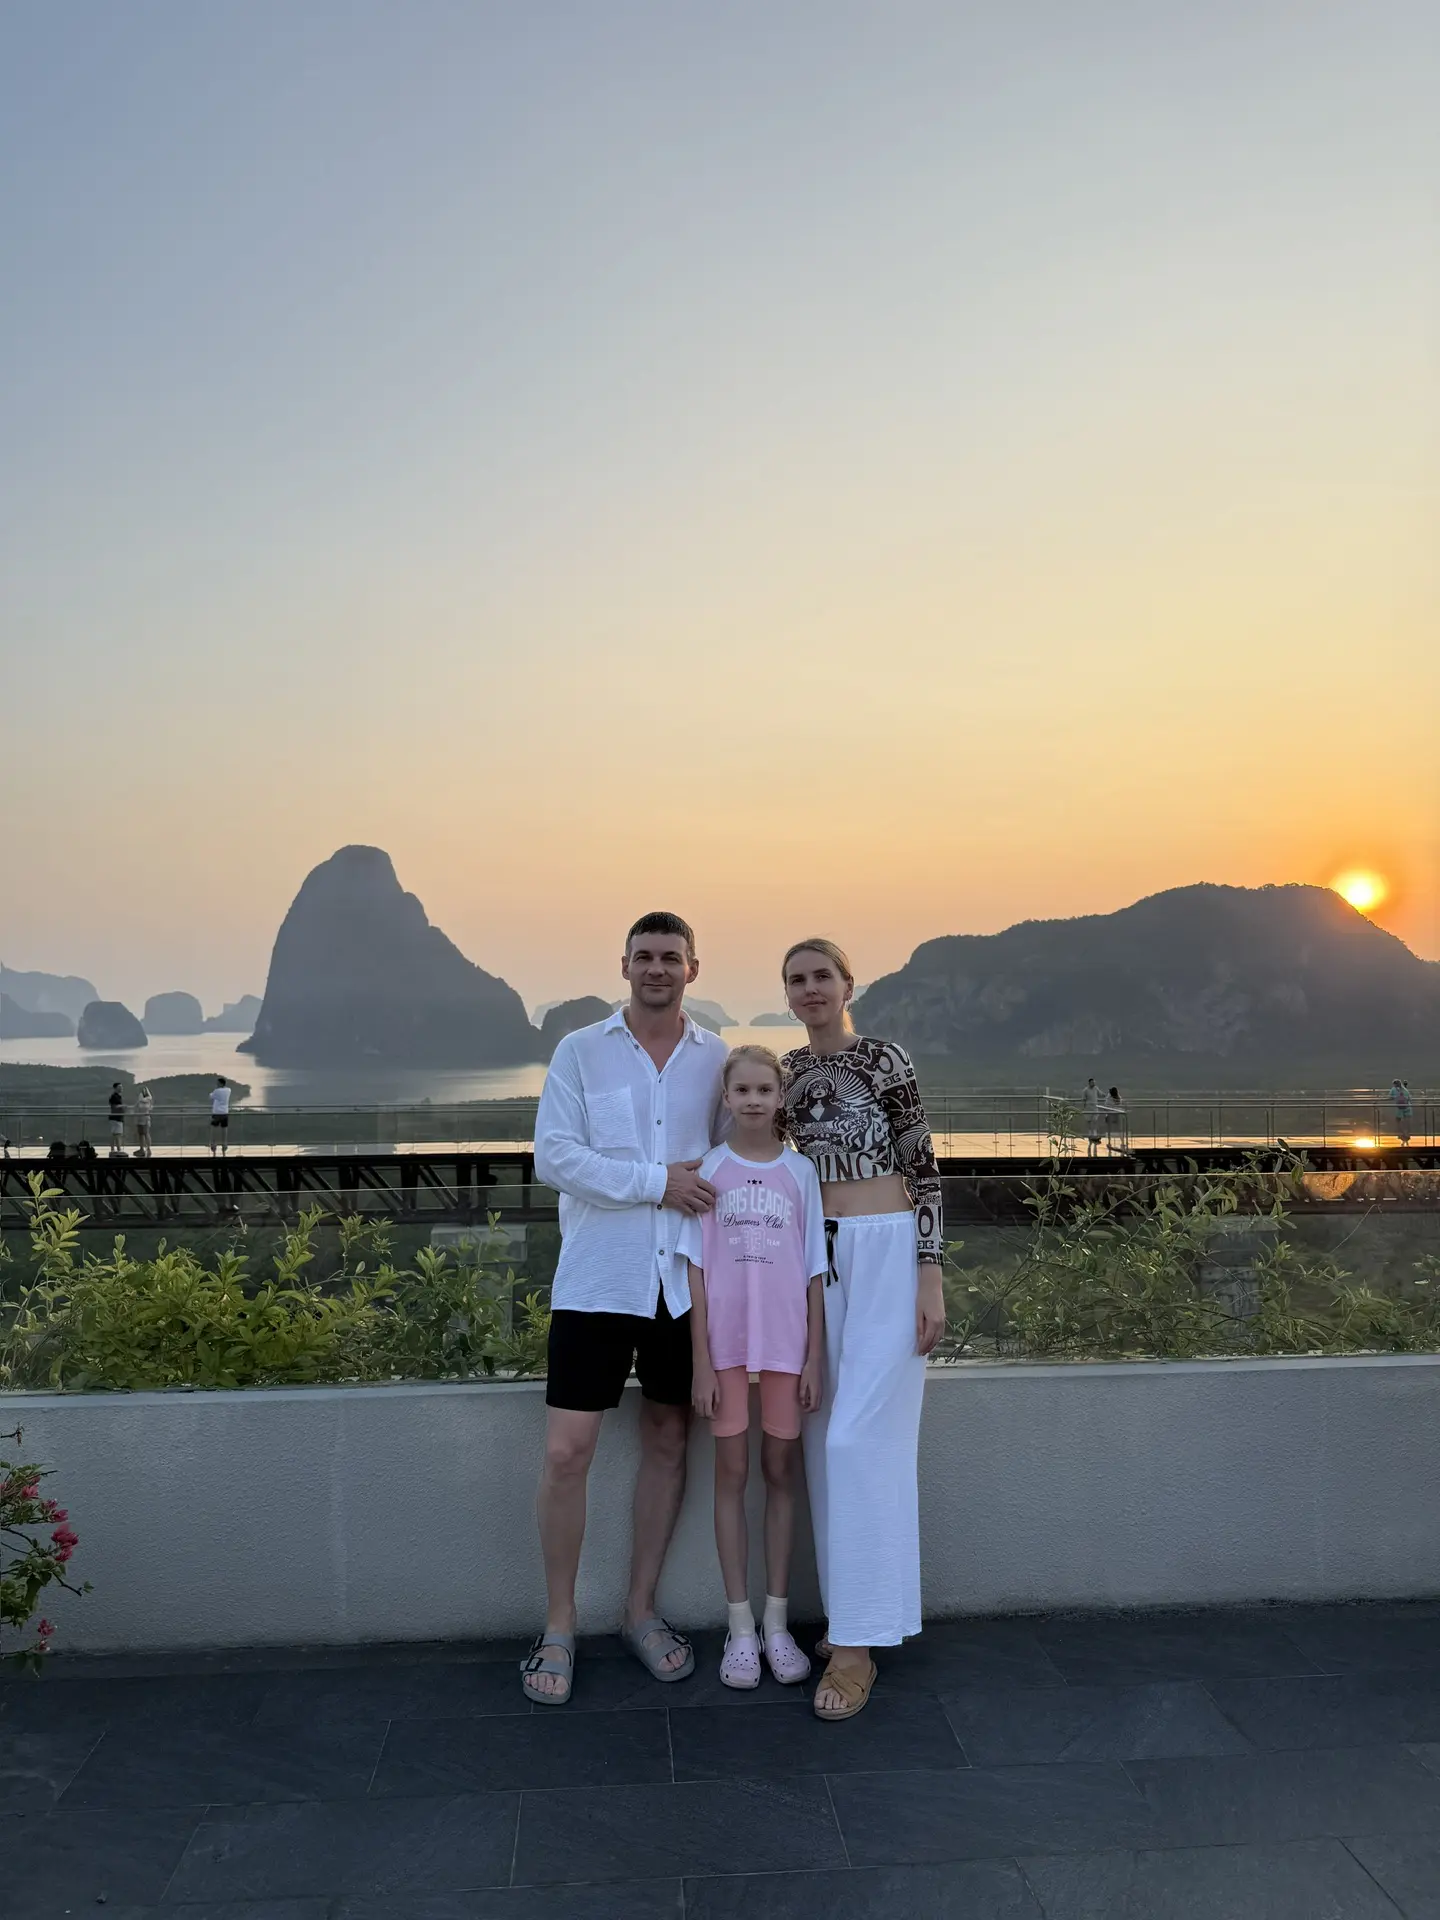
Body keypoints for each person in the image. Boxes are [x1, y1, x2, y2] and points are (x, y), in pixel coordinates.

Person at [523, 912, 728, 1706]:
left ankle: (640, 1611)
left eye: (671, 956)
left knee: (670, 1438)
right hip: (597, 1282)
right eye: (644, 956)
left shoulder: (716, 1059)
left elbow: (734, 1158)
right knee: (567, 1451)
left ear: (692, 968)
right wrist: (656, 1181)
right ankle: (559, 1624)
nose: (657, 968)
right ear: (624, 965)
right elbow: (555, 1156)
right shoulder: (580, 1051)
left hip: (683, 1281)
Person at [781, 939, 946, 1722]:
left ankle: (855, 1651)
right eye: (797, 979)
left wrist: (929, 1272)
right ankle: (853, 1615)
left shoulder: (884, 1060)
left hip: (887, 1251)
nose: (810, 988)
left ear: (848, 985)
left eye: (823, 975)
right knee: (822, 1441)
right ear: (787, 994)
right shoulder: (786, 1071)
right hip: (820, 1259)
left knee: (858, 1442)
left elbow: (924, 1166)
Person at [681, 1045, 826, 1690]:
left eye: (764, 1089)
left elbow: (815, 1270)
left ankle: (776, 1623)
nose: (753, 1101)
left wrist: (813, 1357)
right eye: (741, 1090)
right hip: (726, 1350)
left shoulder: (801, 1173)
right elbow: (695, 1270)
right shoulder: (710, 1169)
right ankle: (739, 1627)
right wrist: (701, 1363)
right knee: (732, 1475)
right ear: (726, 1097)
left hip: (786, 1348)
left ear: (780, 1096)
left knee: (780, 1473)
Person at [1081, 1077, 1104, 1157]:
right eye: (1092, 1082)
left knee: (1094, 1121)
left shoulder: (1096, 1088)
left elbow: (1100, 1094)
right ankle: (1090, 1134)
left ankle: (1094, 1134)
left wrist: (1105, 1095)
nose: (1093, 1084)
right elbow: (1083, 1099)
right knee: (1089, 1121)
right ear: (1089, 1083)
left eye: (1094, 1082)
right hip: (1088, 1107)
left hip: (1095, 1107)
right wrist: (1083, 1108)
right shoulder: (1085, 1090)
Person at [209, 1076, 231, 1154]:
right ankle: (224, 1145)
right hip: (225, 1112)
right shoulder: (228, 1090)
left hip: (217, 1113)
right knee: (224, 1129)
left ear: (221, 1083)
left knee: (214, 1129)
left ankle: (213, 1145)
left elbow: (211, 1096)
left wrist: (213, 1093)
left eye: (218, 1083)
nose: (216, 1084)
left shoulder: (217, 1091)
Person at [1390, 1078, 1414, 1147]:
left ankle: (1403, 1136)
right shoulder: (1405, 1090)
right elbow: (1409, 1098)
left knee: (1398, 1123)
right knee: (1406, 1124)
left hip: (1400, 1109)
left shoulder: (1393, 1089)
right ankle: (1406, 1138)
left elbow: (1390, 1097)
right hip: (1407, 1108)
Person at [135, 1084, 154, 1157]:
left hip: (142, 1118)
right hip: (145, 1118)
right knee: (144, 1134)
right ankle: (145, 1148)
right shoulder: (149, 1100)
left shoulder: (142, 1100)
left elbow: (138, 1107)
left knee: (144, 1134)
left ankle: (144, 1148)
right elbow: (150, 1108)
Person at [107, 1083, 125, 1158]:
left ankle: (114, 1149)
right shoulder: (114, 1097)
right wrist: (123, 1106)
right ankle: (118, 1149)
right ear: (115, 1088)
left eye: (121, 1087)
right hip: (116, 1118)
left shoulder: (118, 1096)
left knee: (115, 1134)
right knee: (117, 1134)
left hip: (117, 1118)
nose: (121, 1088)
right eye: (119, 1087)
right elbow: (114, 1106)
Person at [1105, 1085, 1124, 1151]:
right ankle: (1122, 1141)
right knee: (1119, 1129)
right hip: (1117, 1114)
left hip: (1110, 1114)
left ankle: (1109, 1142)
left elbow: (1106, 1105)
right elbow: (1120, 1104)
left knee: (1109, 1129)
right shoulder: (1118, 1098)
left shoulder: (1109, 1098)